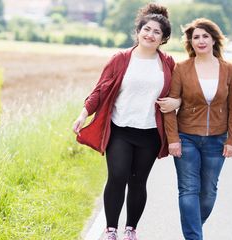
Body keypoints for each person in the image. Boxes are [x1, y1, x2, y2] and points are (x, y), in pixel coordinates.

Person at [72, 3, 180, 240]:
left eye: (156, 32)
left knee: (138, 181)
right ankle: (111, 230)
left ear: (163, 39)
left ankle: (131, 230)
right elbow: (100, 90)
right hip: (120, 129)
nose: (150, 35)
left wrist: (177, 102)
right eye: (147, 29)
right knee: (118, 176)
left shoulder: (168, 64)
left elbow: (178, 93)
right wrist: (83, 114)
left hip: (150, 133)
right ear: (138, 31)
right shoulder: (121, 59)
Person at [164, 18, 232, 240]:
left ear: (214, 39)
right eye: (195, 37)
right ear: (190, 42)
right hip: (186, 136)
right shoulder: (181, 69)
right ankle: (194, 237)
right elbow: (169, 105)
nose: (200, 40)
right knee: (188, 189)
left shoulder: (229, 71)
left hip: (217, 140)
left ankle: (193, 226)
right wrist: (173, 139)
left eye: (205, 36)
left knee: (208, 193)